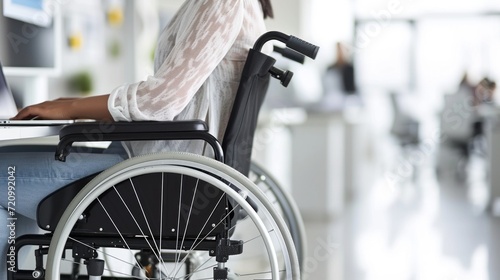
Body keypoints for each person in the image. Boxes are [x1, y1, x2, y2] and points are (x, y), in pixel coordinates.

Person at [0, 0, 273, 275]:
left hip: (160, 176)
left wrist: (68, 108)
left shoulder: (222, 3)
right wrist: (72, 105)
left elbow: (160, 101)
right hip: (168, 170)